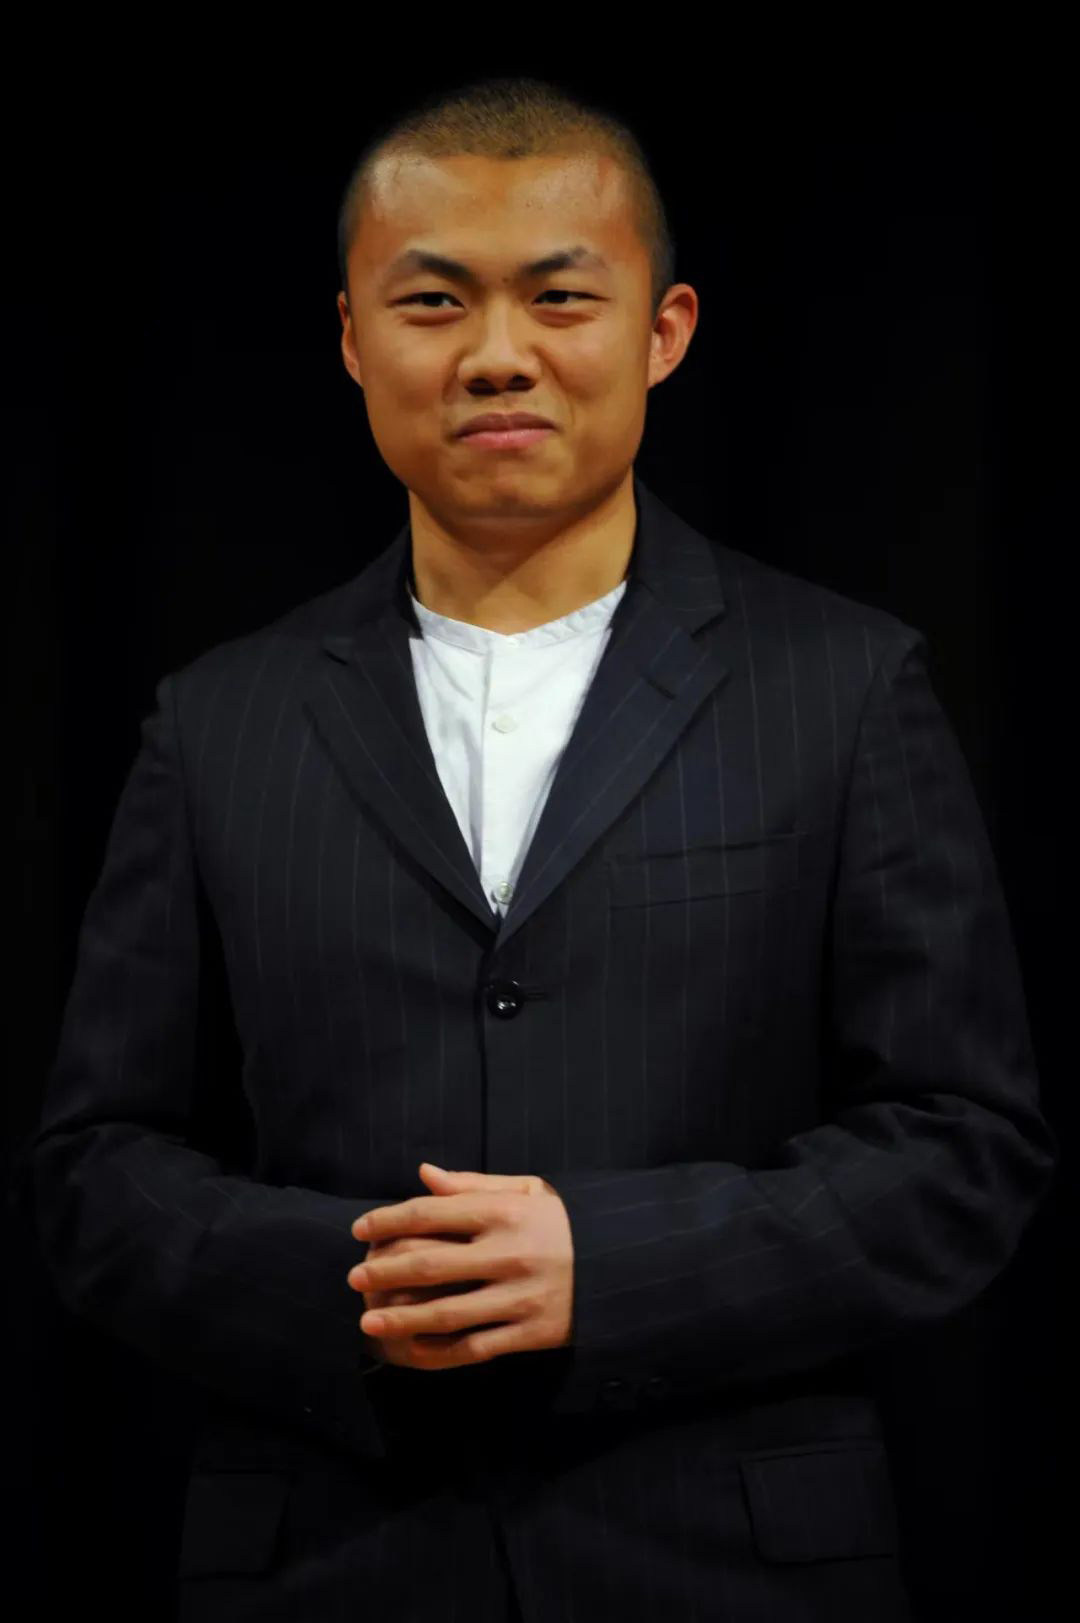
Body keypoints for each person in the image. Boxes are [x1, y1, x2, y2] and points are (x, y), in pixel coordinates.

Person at [22, 75, 1057, 1623]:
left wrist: (609, 1266)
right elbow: (97, 1172)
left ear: (665, 330)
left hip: (728, 1565)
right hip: (327, 1558)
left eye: (560, 297)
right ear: (354, 338)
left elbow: (964, 1148)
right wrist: (363, 1288)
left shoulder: (844, 689)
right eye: (433, 301)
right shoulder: (216, 721)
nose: (497, 352)